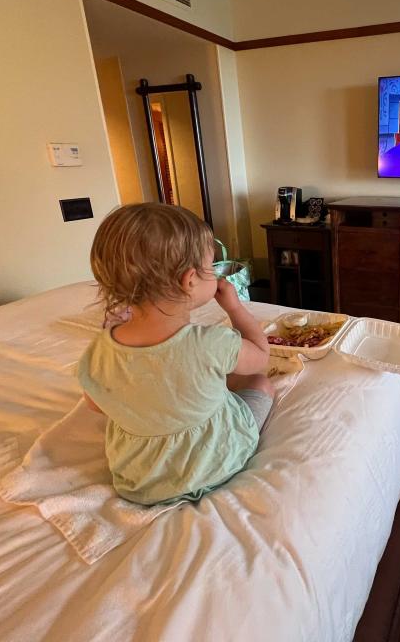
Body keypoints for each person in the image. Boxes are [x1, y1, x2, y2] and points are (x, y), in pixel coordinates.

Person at [77, 202, 272, 505]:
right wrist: (234, 307)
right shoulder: (212, 343)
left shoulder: (99, 351)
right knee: (260, 382)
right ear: (190, 279)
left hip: (142, 481)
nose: (213, 273)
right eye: (210, 267)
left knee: (213, 377)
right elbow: (261, 354)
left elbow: (95, 404)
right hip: (218, 462)